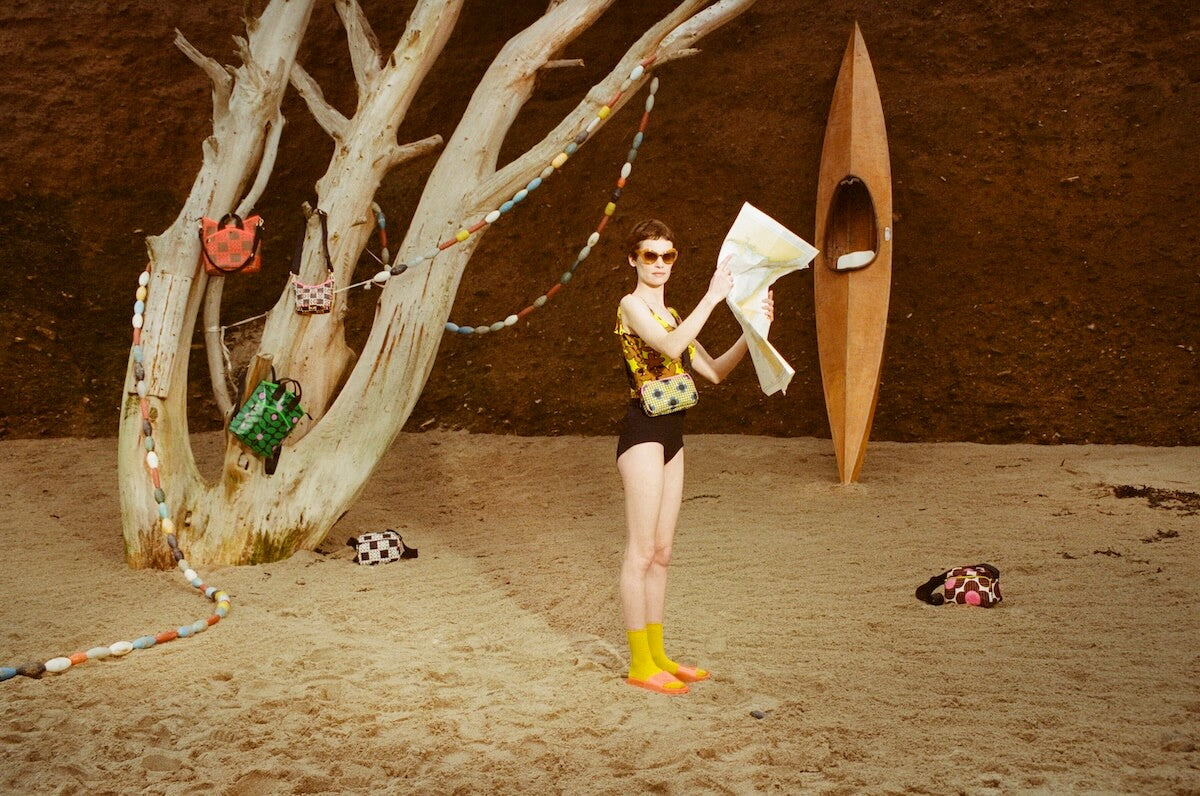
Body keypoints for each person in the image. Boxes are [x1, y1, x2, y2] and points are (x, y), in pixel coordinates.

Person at [615, 218, 773, 695]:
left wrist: (754, 330)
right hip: (641, 430)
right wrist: (714, 296)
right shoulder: (631, 306)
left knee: (662, 553)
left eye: (668, 255)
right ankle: (640, 663)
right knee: (641, 551)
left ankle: (659, 654)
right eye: (650, 255)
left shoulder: (676, 313)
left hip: (673, 432)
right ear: (633, 260)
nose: (660, 264)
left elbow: (714, 371)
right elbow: (668, 346)